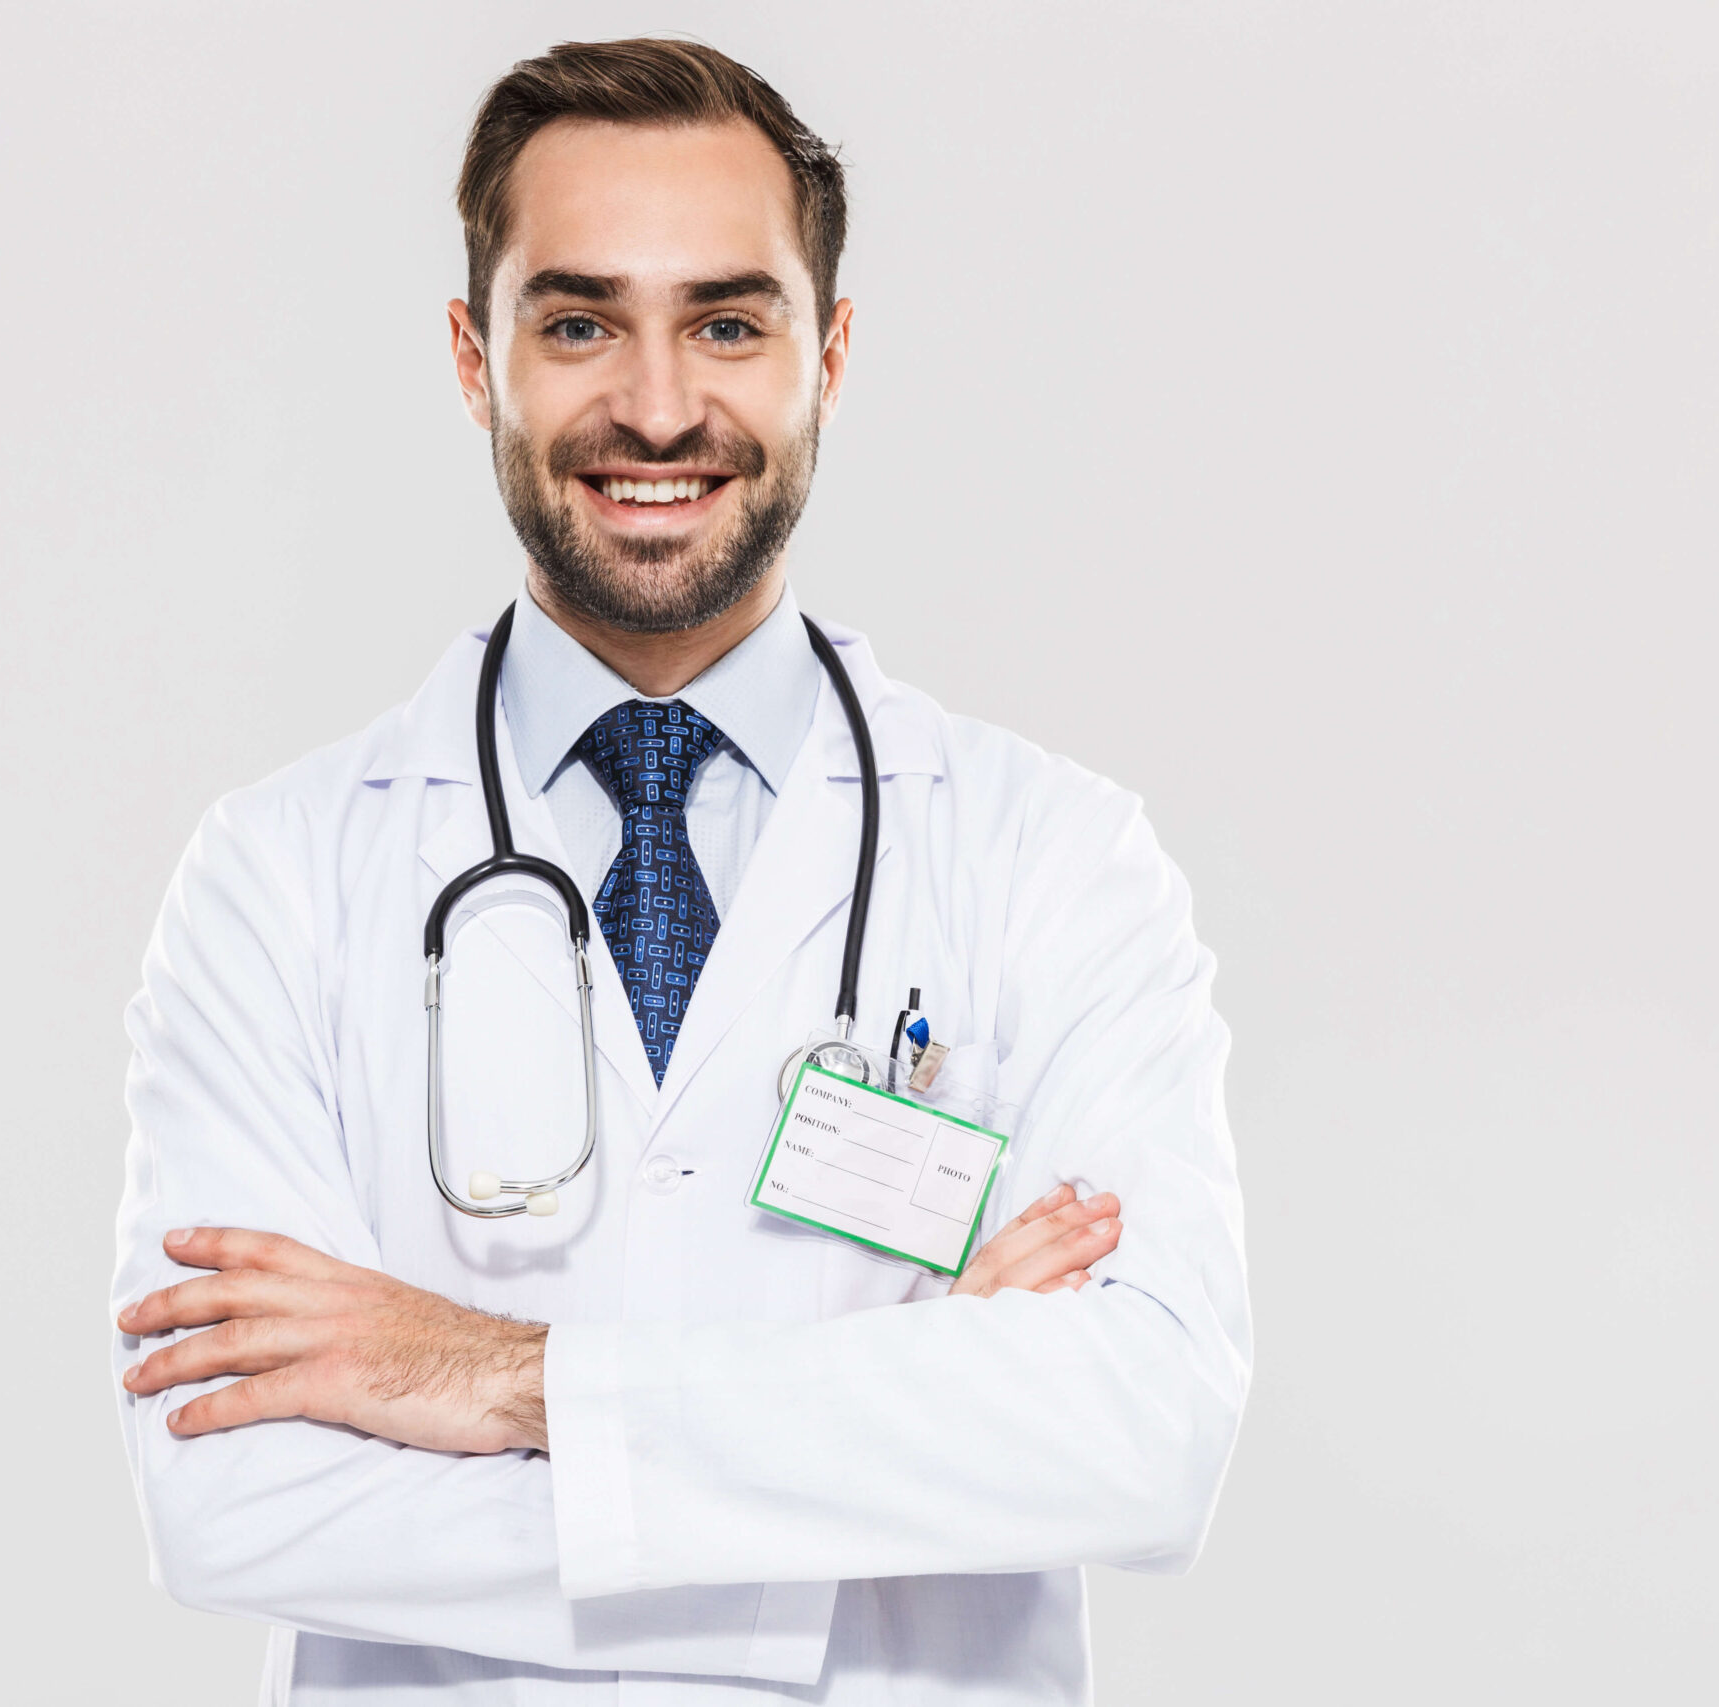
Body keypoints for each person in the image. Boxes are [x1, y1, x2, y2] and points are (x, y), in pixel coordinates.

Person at [110, 37, 1251, 1705]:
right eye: (578, 324)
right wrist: (908, 1422)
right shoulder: (278, 878)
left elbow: (1142, 1434)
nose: (656, 406)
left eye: (728, 321)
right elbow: (235, 1501)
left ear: (830, 354)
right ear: (472, 357)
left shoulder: (1053, 858)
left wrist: (498, 1385)